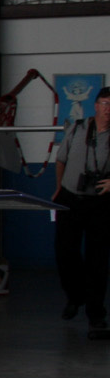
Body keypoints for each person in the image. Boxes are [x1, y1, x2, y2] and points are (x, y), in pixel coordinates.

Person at [55, 86, 110, 330]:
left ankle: (95, 312)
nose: (108, 109)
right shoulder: (77, 128)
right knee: (65, 252)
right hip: (70, 197)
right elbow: (61, 159)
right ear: (96, 106)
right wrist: (58, 187)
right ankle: (75, 296)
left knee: (98, 258)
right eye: (105, 103)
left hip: (100, 201)